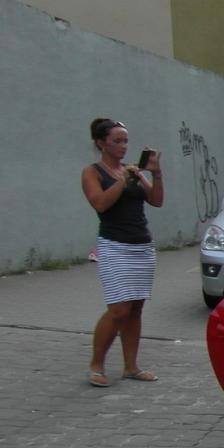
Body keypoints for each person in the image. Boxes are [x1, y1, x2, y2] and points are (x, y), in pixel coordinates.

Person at [80, 118, 164, 387]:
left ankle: (131, 366)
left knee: (136, 309)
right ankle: (97, 364)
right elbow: (100, 204)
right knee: (118, 310)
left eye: (126, 141)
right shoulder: (93, 172)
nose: (123, 146)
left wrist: (154, 173)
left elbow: (156, 201)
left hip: (142, 246)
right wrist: (123, 179)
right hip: (114, 246)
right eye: (117, 141)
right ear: (101, 143)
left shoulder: (132, 171)